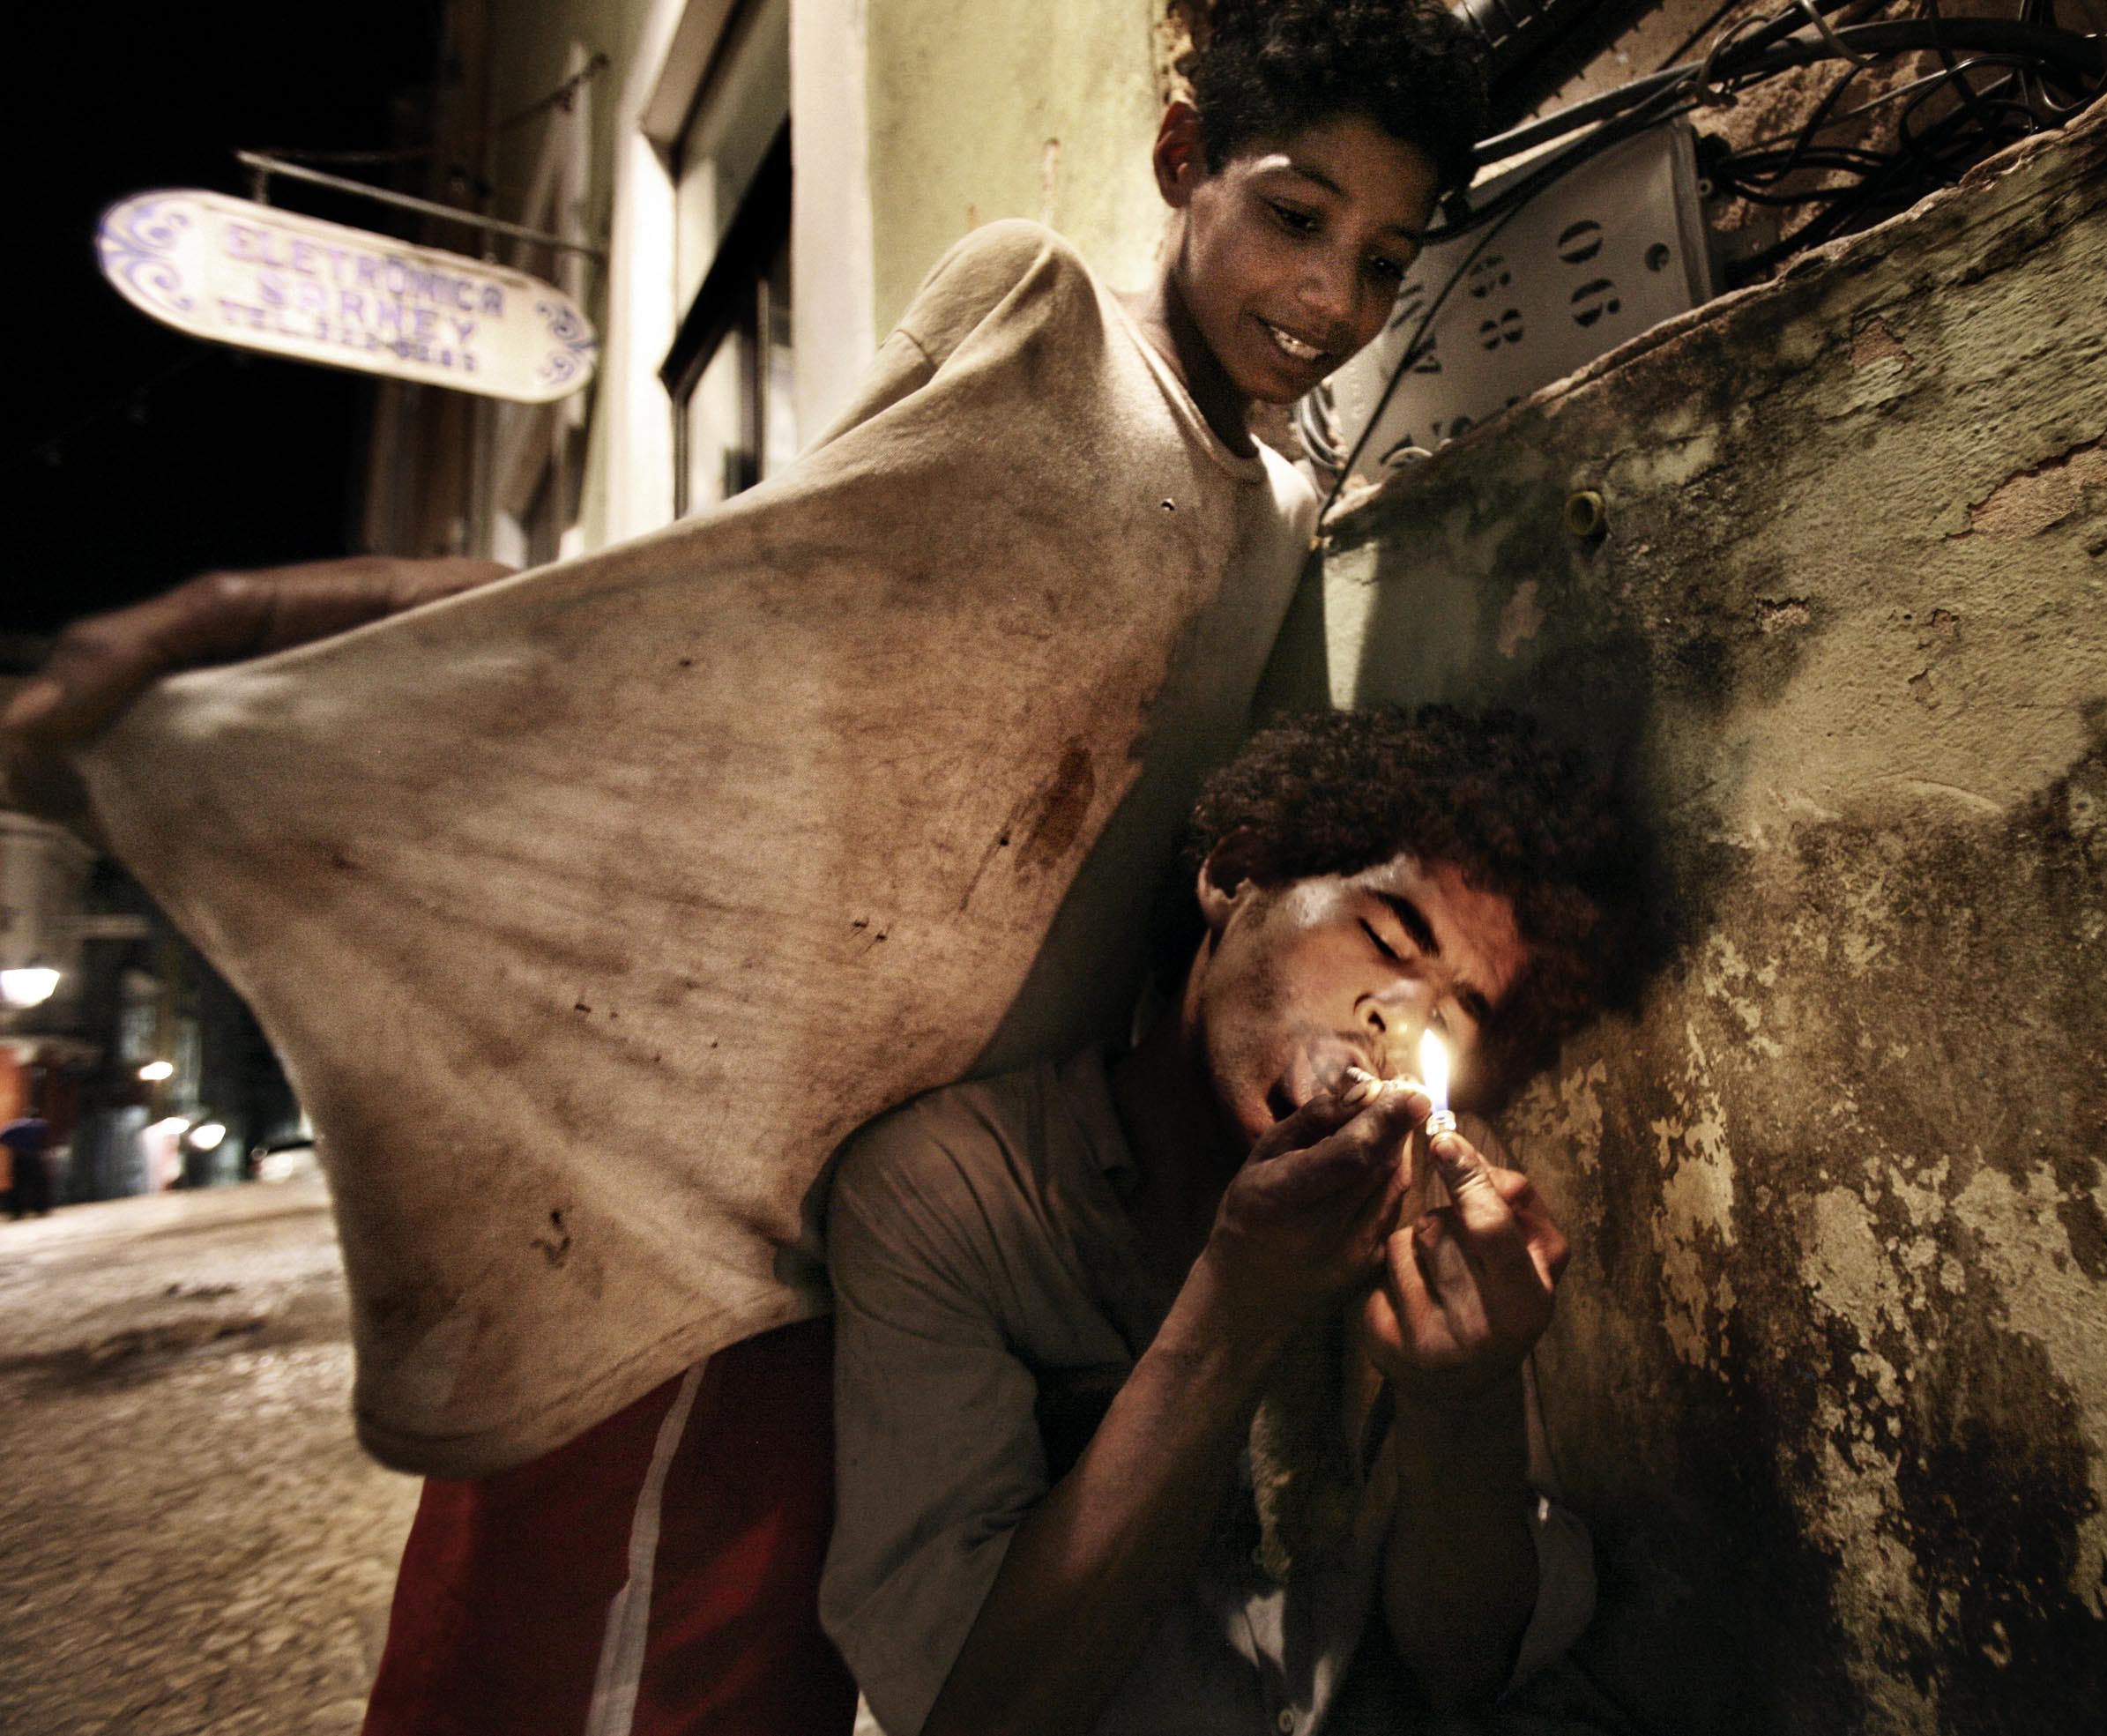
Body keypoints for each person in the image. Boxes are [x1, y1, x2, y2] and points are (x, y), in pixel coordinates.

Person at [0, 5, 1492, 1731]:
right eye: (1296, 217)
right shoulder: (1040, 321)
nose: (1332, 298)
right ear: (1179, 163)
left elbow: (1234, 848)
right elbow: (706, 619)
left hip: (910, 1233)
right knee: (601, 1647)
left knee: (768, 1655)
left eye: (1385, 258)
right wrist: (246, 630)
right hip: (710, 1185)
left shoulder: (1279, 509)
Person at [823, 707, 1632, 1735]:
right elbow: (966, 1713)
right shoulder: (949, 1190)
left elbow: (1460, 1666)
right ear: (1235, 876)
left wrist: (1466, 1400)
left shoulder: (1444, 1205)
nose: (1399, 1019)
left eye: (1454, 1015)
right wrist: (1236, 1311)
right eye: (1383, 938)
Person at [2, 1113, 54, 1218]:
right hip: (34, 1157)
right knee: (38, 1184)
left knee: (19, 1185)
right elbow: (45, 1141)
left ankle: (17, 1211)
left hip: (19, 1158)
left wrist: (14, 1146)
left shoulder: (15, 1125)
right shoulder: (41, 1124)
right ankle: (40, 1209)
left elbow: (2, 1136)